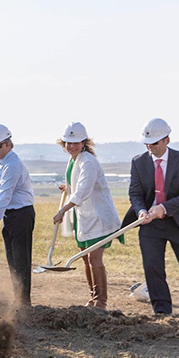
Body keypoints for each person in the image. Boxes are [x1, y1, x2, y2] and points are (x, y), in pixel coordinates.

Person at [128, 118, 179, 315]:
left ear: (167, 140)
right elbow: (135, 194)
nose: (150, 147)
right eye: (147, 143)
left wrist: (163, 208)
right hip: (150, 225)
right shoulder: (138, 162)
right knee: (153, 268)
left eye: (154, 143)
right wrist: (141, 211)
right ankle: (162, 313)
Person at [52, 122, 122, 309]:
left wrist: (63, 210)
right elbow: (77, 184)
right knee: (85, 257)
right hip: (84, 218)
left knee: (94, 259)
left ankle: (101, 302)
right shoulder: (73, 160)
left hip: (99, 218)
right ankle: (92, 298)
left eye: (76, 142)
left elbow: (83, 189)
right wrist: (67, 188)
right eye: (68, 142)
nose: (72, 146)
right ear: (64, 143)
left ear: (84, 142)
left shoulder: (88, 161)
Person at [0, 124, 35, 306]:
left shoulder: (12, 165)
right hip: (9, 215)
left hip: (21, 215)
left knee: (21, 261)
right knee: (12, 260)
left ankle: (24, 302)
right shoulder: (1, 161)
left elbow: (4, 197)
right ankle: (17, 299)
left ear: (8, 144)